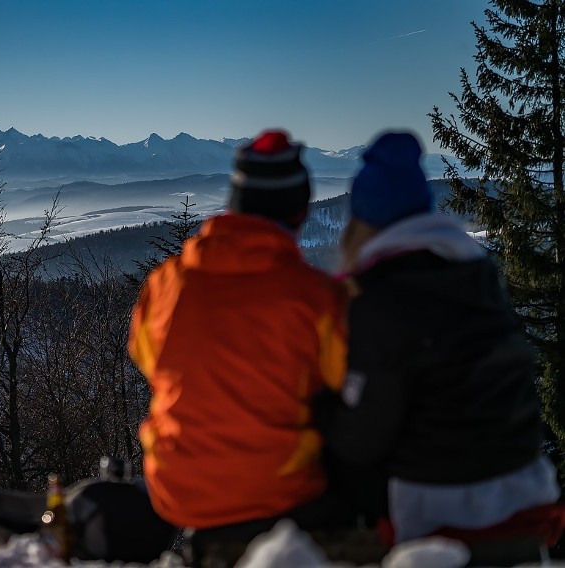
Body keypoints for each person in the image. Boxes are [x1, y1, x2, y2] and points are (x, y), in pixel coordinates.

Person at [316, 131, 561, 555]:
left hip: (446, 505)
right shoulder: (479, 276)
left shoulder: (382, 301)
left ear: (363, 221)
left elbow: (362, 438)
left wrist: (317, 406)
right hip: (525, 485)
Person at [128, 130, 350, 567]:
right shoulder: (316, 299)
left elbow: (149, 360)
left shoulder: (166, 284)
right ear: (301, 210)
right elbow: (347, 384)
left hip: (176, 491)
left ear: (235, 203)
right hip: (280, 491)